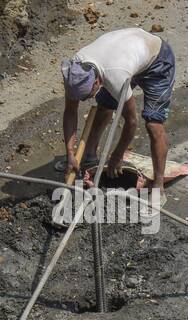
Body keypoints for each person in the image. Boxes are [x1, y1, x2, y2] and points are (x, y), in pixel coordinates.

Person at [61, 26, 176, 200]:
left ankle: (158, 184)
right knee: (105, 105)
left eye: (89, 95)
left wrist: (117, 154)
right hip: (128, 54)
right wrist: (70, 152)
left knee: (153, 123)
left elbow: (131, 121)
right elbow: (70, 111)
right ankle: (89, 158)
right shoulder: (75, 71)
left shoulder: (115, 77)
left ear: (98, 81)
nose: (85, 100)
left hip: (157, 60)